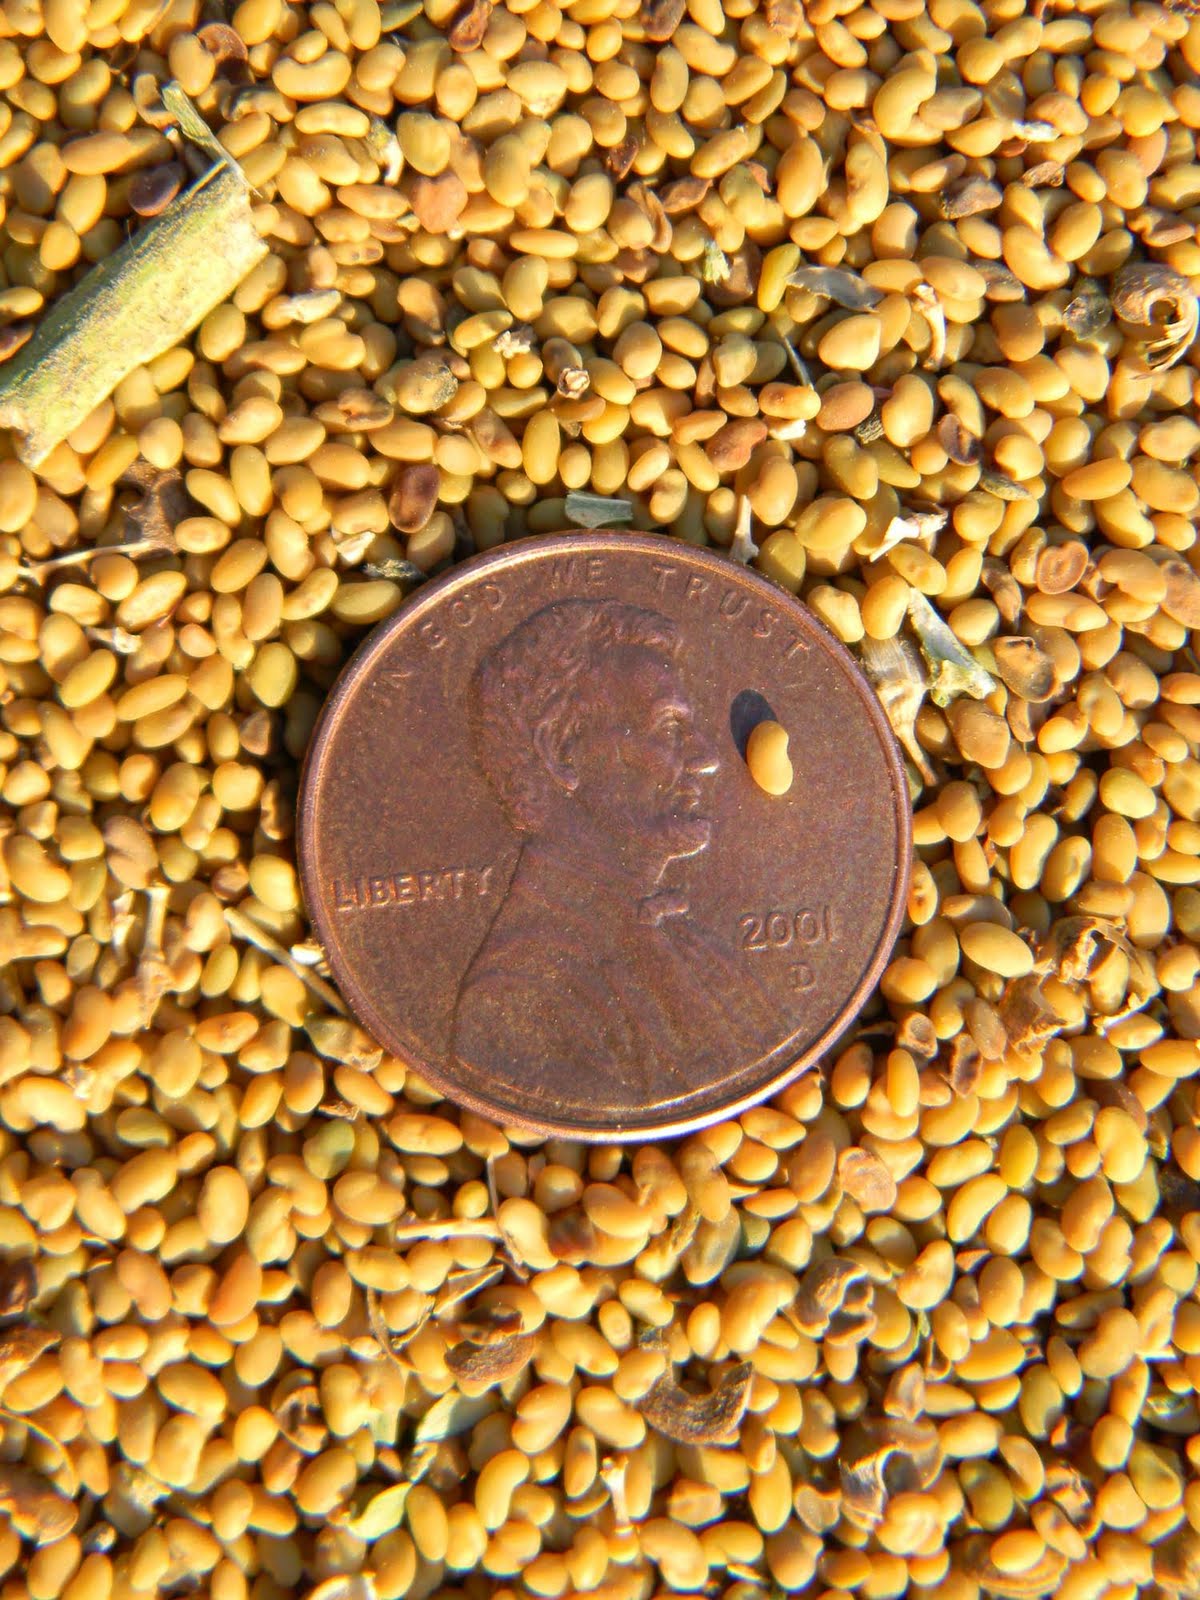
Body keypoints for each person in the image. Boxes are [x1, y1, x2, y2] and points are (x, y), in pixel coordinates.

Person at [450, 597, 780, 1112]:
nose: (709, 758)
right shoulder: (518, 1003)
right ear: (561, 751)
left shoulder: (682, 939)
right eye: (670, 728)